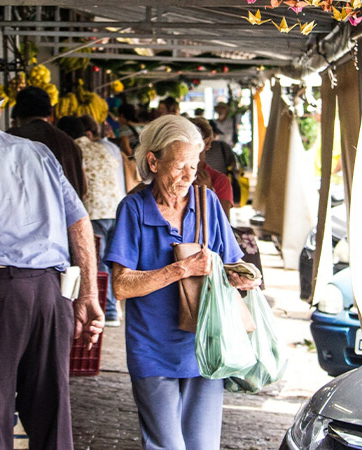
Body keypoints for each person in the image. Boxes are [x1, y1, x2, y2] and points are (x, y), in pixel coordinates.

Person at [0, 68, 104, 450]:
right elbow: (79, 222)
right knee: (51, 421)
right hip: (50, 295)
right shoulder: (38, 152)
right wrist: (88, 295)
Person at [104, 115, 260, 449]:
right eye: (179, 166)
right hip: (151, 348)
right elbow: (121, 286)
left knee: (203, 445)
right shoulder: (133, 209)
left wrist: (240, 276)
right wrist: (181, 269)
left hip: (205, 345)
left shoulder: (208, 204)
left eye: (194, 164)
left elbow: (231, 263)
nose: (189, 175)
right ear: (153, 161)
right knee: (167, 445)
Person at [57, 116, 124, 327]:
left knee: (96, 263)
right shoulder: (103, 148)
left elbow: (83, 185)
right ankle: (113, 310)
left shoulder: (73, 150)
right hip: (114, 209)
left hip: (92, 212)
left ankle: (106, 311)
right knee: (112, 262)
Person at [8, 86, 87, 200]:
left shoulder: (13, 138)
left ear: (17, 113)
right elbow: (83, 189)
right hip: (68, 215)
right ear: (50, 113)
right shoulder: (70, 143)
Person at [189, 117, 234, 217]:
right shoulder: (175, 176)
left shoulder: (220, 181)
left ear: (207, 143)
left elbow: (224, 225)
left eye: (195, 140)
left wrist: (208, 192)